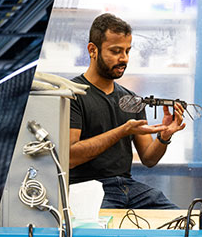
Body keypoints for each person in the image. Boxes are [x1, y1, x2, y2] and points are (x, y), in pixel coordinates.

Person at [68, 13, 186, 209]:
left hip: (129, 187)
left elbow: (148, 158)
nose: (124, 59)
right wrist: (122, 131)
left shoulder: (131, 99)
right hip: (88, 189)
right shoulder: (73, 94)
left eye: (127, 51)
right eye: (115, 51)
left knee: (180, 221)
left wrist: (164, 137)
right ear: (92, 50)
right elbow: (70, 157)